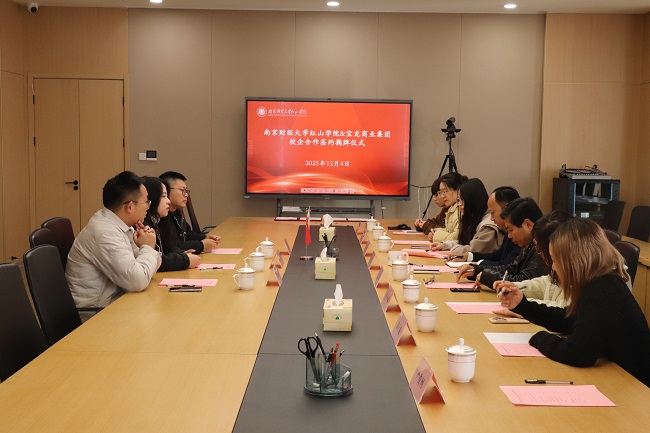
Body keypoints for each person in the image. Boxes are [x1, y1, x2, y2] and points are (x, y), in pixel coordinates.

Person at [498, 218, 650, 387]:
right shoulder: (602, 281)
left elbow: (577, 353)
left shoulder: (599, 291)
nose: (553, 267)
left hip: (635, 388)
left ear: (573, 261)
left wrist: (539, 338)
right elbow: (569, 319)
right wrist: (522, 305)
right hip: (622, 378)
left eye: (555, 260)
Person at [66, 171, 161, 316]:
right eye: (146, 202)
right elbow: (138, 280)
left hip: (116, 302)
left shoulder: (120, 224)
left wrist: (146, 246)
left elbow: (149, 268)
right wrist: (147, 247)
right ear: (130, 207)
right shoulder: (105, 233)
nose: (148, 207)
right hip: (95, 315)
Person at [459, 197, 548, 289]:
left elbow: (523, 282)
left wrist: (487, 277)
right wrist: (477, 270)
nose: (509, 236)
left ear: (528, 224)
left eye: (511, 230)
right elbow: (510, 269)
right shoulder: (529, 244)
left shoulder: (542, 248)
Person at [494, 210, 574, 309]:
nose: (539, 252)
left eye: (540, 249)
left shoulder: (580, 277)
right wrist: (515, 287)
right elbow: (546, 284)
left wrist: (522, 303)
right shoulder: (560, 268)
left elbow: (563, 309)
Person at [143, 176, 200, 271]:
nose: (168, 201)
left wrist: (182, 253)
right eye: (164, 196)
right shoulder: (143, 226)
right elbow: (155, 261)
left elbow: (168, 246)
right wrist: (185, 260)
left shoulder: (161, 221)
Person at [453, 186, 521, 266]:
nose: (491, 219)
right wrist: (469, 256)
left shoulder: (520, 235)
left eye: (493, 213)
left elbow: (506, 266)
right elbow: (497, 256)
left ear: (507, 209)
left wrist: (477, 265)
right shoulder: (508, 231)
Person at [430, 178, 501, 254]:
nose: (459, 204)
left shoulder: (487, 225)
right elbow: (465, 242)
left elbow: (473, 249)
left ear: (473, 200)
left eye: (462, 200)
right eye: (458, 200)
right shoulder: (474, 217)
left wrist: (452, 251)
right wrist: (445, 245)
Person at [159, 171, 220, 253]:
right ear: (166, 191)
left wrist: (204, 238)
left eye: (186, 191)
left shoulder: (177, 213)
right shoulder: (161, 217)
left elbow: (187, 233)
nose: (186, 195)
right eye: (182, 190)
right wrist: (201, 245)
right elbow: (171, 246)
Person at [428, 172, 467, 242]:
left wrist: (436, 235)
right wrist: (434, 232)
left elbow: (457, 237)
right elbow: (448, 230)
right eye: (441, 192)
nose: (442, 196)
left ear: (457, 190)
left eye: (445, 191)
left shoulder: (461, 209)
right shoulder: (451, 209)